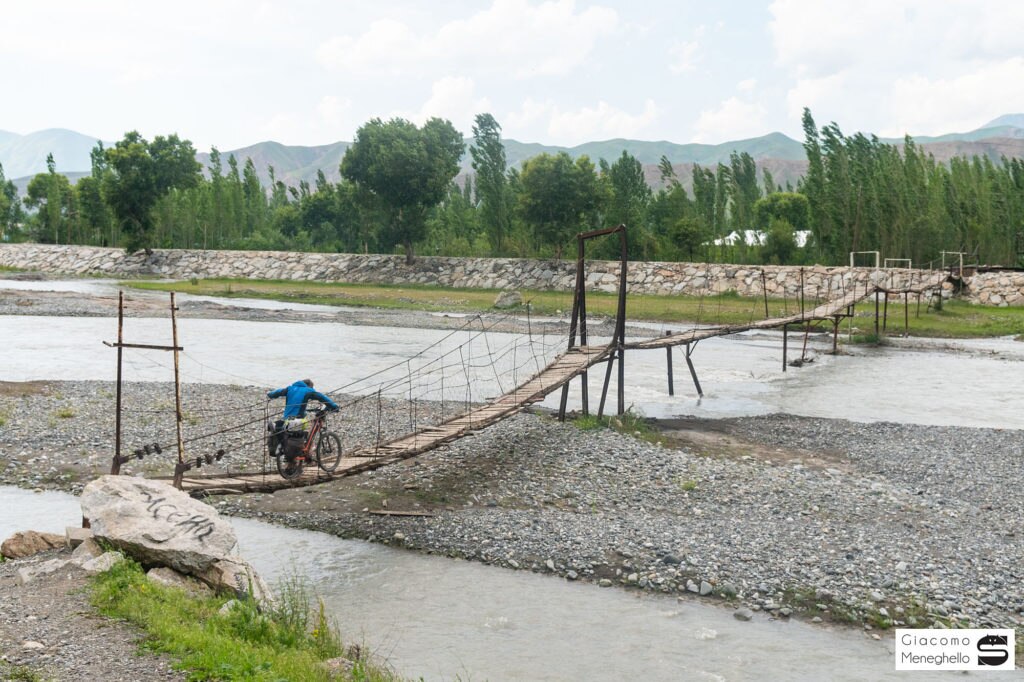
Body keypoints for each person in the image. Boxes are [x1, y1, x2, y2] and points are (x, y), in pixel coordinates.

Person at [266, 379, 339, 457]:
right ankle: (307, 449)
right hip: (297, 419)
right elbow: (322, 397)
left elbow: (277, 392)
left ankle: (294, 448)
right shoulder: (308, 390)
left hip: (286, 419)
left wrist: (270, 394)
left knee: (301, 419)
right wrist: (334, 406)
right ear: (309, 386)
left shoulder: (290, 388)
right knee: (306, 427)